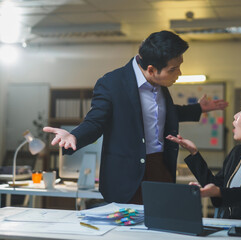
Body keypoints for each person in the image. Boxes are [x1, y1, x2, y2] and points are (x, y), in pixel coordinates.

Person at [43, 30, 228, 204]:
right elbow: (96, 121)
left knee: (159, 230)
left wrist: (199, 109)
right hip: (125, 176)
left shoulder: (160, 84)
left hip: (161, 168)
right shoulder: (112, 83)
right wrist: (74, 135)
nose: (179, 73)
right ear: (151, 69)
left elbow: (164, 113)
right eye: (174, 69)